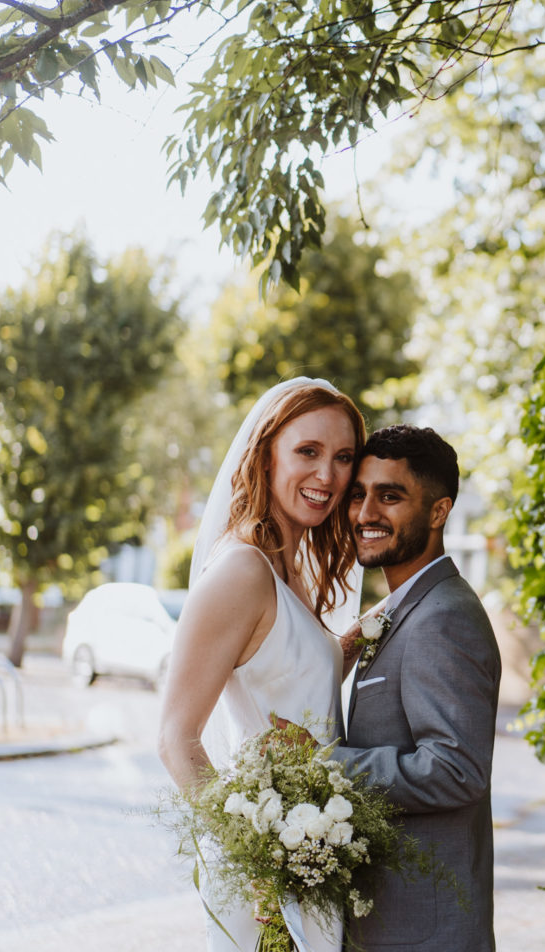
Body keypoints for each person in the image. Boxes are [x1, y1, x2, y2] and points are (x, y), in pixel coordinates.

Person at [157, 377, 365, 952]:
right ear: (265, 453)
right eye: (308, 452)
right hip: (268, 882)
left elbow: (288, 681)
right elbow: (176, 740)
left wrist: (362, 639)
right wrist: (257, 867)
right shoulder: (242, 572)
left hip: (310, 855)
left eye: (343, 457)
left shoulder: (289, 571)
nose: (328, 476)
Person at [329, 425, 502, 952]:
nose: (365, 513)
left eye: (390, 496)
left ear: (439, 511)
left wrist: (325, 767)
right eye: (358, 495)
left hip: (425, 935)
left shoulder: (443, 617)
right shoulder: (406, 608)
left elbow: (456, 769)